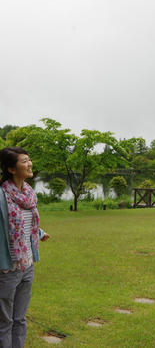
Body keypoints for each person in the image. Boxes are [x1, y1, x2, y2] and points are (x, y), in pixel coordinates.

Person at [0, 147, 50, 348]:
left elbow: (24, 225)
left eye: (29, 160)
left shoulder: (28, 194)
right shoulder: (2, 196)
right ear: (11, 169)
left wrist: (39, 233)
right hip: (7, 269)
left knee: (20, 319)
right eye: (24, 161)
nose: (29, 164)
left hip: (27, 266)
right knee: (5, 322)